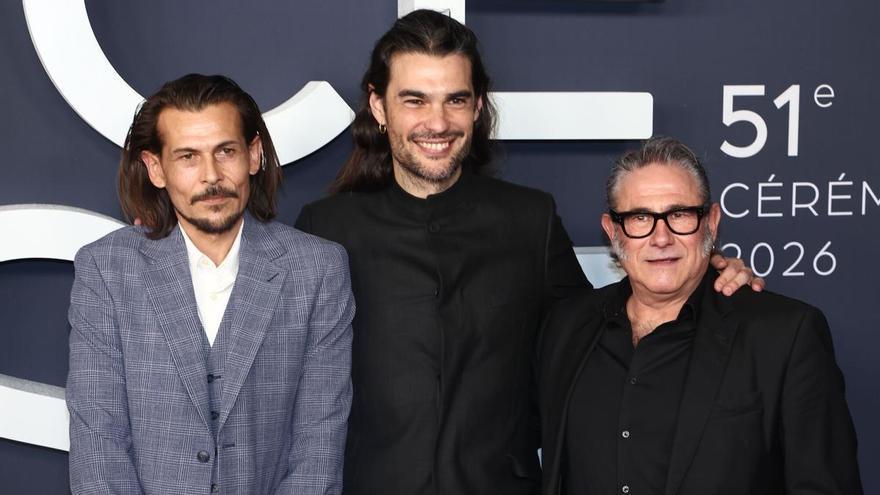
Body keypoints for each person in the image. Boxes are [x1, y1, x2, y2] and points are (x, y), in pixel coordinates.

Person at [295, 11, 760, 495]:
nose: (438, 122)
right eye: (415, 100)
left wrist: (701, 277)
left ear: (478, 106)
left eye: (456, 99)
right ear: (379, 105)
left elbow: (605, 329)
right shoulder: (327, 229)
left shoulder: (529, 219)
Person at [66, 74, 354, 495]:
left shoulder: (317, 269)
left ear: (253, 155)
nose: (211, 176)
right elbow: (98, 445)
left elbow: (318, 448)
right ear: (156, 168)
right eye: (188, 157)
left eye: (226, 151)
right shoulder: (107, 270)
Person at [538, 137, 862, 495]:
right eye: (640, 218)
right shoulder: (567, 327)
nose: (661, 237)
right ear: (613, 232)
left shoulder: (784, 336)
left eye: (679, 215)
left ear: (711, 222)